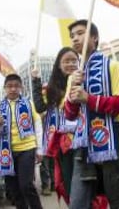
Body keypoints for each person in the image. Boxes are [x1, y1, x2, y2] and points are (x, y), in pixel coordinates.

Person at [65, 19, 119, 209]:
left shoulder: (112, 66)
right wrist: (74, 90)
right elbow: (69, 115)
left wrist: (89, 99)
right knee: (78, 204)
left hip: (113, 140)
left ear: (95, 38)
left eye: (81, 33)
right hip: (83, 145)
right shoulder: (74, 76)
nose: (75, 38)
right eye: (72, 36)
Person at [31, 47, 79, 202]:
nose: (71, 64)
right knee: (69, 182)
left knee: (86, 182)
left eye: (74, 60)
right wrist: (36, 81)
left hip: (83, 138)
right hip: (62, 142)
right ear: (59, 64)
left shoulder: (84, 81)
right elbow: (39, 107)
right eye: (66, 61)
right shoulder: (50, 88)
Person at [0, 73, 43, 209]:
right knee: (14, 189)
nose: (13, 89)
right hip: (6, 152)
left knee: (26, 185)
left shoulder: (29, 103)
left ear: (21, 88)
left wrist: (40, 149)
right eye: (9, 86)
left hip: (27, 148)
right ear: (5, 88)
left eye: (16, 86)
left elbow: (38, 125)